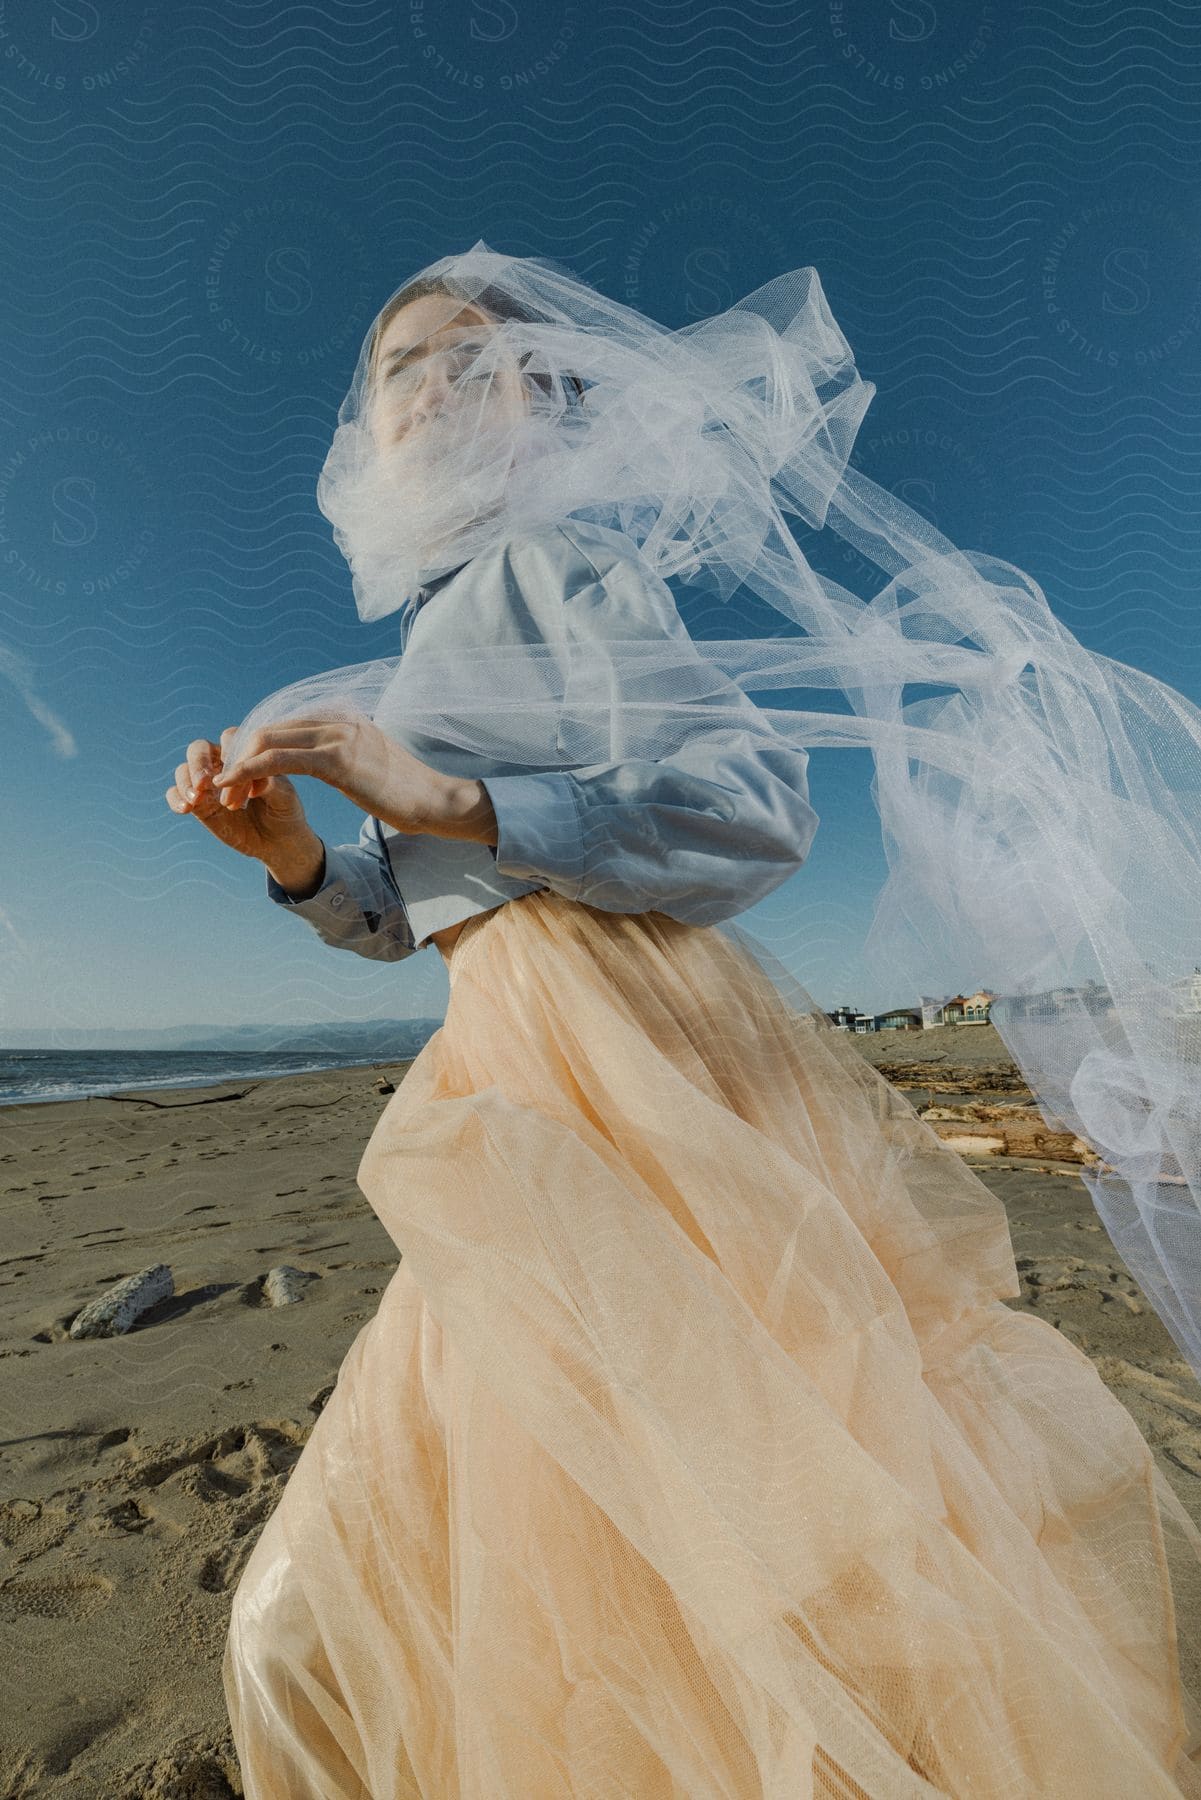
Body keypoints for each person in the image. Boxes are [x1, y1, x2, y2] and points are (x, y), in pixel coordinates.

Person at [169, 246, 1201, 1796]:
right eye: (403, 367)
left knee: (741, 1510)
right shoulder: (436, 625)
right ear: (361, 427)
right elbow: (415, 913)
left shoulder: (572, 574)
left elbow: (753, 815)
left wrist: (445, 791)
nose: (437, 386)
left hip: (647, 1066)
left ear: (547, 405)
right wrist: (299, 859)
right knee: (498, 1522)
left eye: (477, 359)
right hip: (506, 1087)